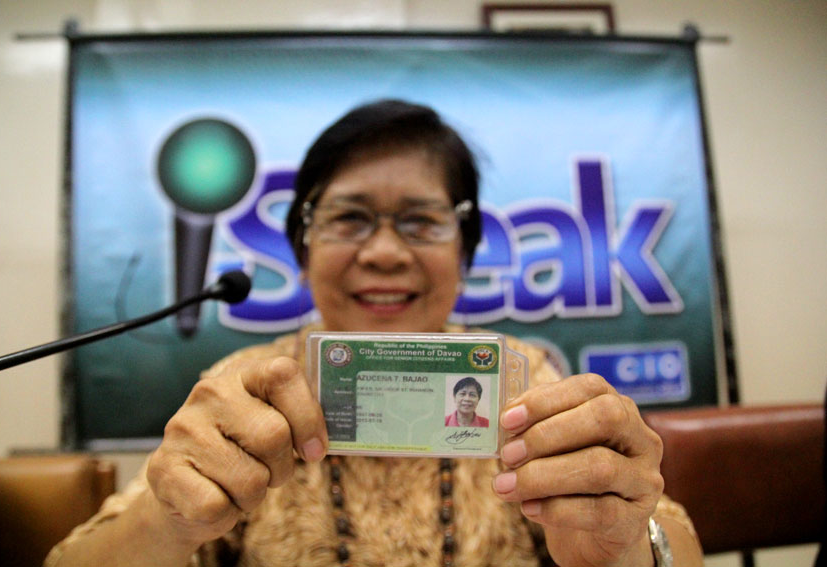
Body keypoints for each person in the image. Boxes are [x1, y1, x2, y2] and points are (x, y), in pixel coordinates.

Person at [46, 99, 704, 567]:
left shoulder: (524, 376)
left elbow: (671, 540)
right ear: (302, 249)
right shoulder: (245, 389)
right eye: (349, 218)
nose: (385, 252)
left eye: (421, 221)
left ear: (466, 253)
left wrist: (620, 548)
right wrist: (167, 520)